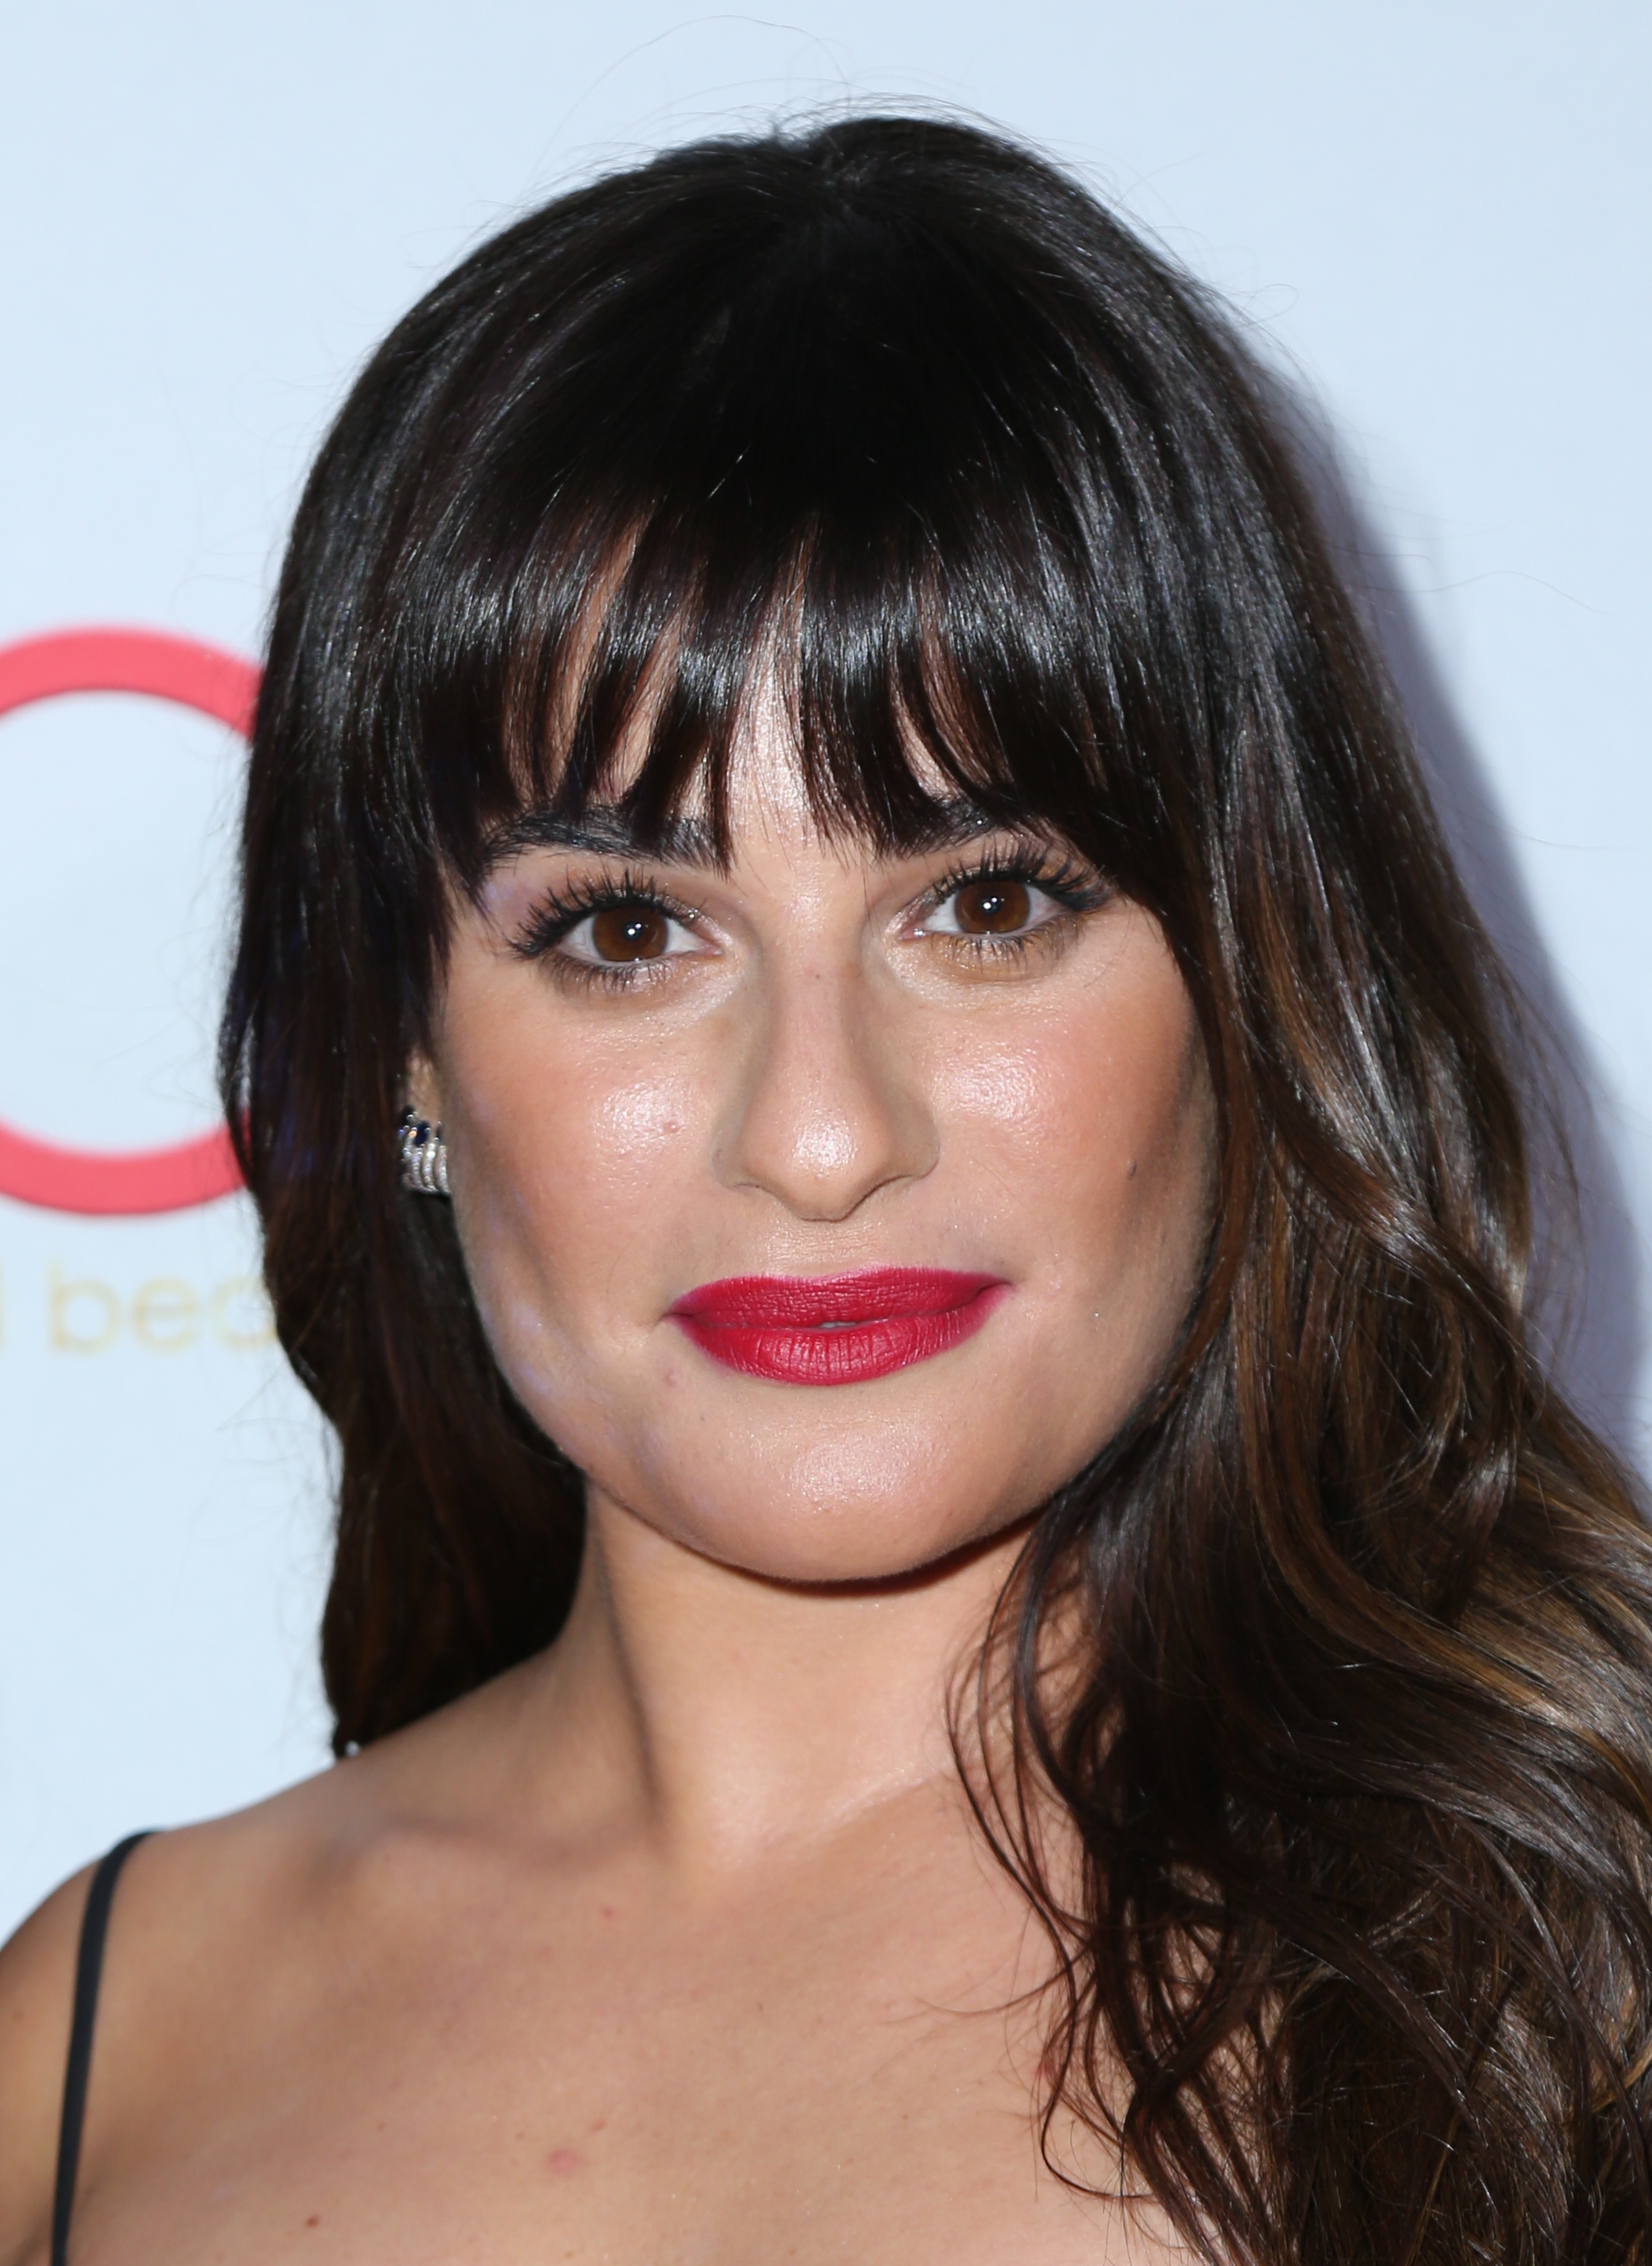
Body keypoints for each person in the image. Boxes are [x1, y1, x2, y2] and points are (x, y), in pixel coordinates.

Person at [2, 112, 1650, 2266]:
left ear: (1246, 977)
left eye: (987, 905)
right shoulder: (103, 2033)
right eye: (625, 932)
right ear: (408, 1046)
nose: (819, 1132)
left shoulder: (1577, 1979)